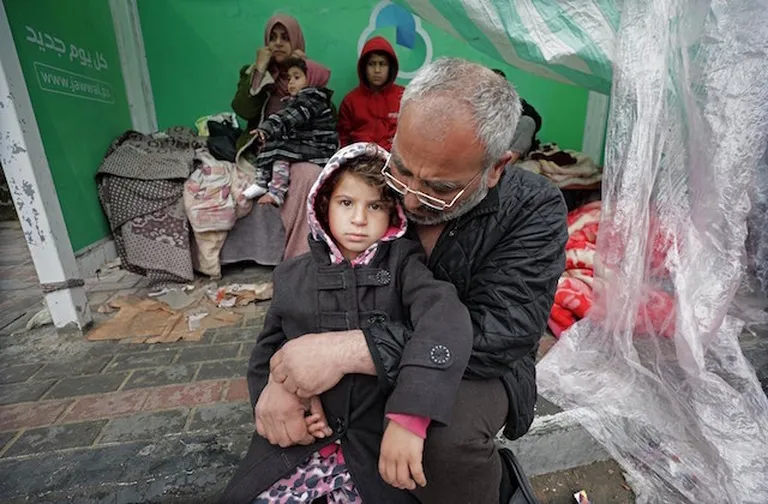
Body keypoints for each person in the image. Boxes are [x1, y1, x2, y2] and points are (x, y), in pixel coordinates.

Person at [236, 57, 568, 503]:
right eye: (404, 170)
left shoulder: (533, 208)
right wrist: (280, 380)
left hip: (481, 365)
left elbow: (501, 334)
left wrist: (351, 350)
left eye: (441, 189)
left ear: (496, 167)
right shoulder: (377, 181)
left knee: (443, 439)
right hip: (366, 333)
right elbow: (317, 285)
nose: (409, 200)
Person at [220, 142, 473, 503]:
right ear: (322, 204)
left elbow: (444, 321)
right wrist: (280, 408)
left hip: (374, 445)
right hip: (304, 445)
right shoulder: (292, 276)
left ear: (394, 212)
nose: (359, 219)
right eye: (346, 203)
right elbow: (267, 351)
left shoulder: (405, 267)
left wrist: (411, 415)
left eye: (375, 206)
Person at [225, 14, 330, 261]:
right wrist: (259, 70)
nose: (278, 43)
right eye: (273, 38)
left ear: (296, 41)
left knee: (308, 176)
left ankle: (301, 256)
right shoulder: (257, 73)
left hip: (299, 150)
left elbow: (322, 116)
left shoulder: (309, 74)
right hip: (262, 148)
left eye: (285, 37)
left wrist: (303, 74)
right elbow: (243, 110)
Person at [241, 57, 339, 207]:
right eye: (289, 78)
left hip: (318, 147)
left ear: (312, 79)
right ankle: (261, 182)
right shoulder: (299, 99)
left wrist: (268, 126)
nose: (291, 82)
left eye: (297, 77)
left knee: (281, 151)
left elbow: (288, 117)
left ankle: (277, 192)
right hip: (306, 142)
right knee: (272, 142)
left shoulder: (312, 100)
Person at [337, 36, 405, 151]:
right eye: (371, 64)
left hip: (394, 157)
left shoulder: (403, 96)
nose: (377, 70)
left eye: (382, 64)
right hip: (360, 157)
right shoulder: (350, 101)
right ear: (363, 67)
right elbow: (343, 141)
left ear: (391, 67)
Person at [492, 68, 542, 162]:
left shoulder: (513, 101)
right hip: (489, 144)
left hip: (509, 144)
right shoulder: (475, 100)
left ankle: (508, 162)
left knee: (528, 121)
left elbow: (537, 120)